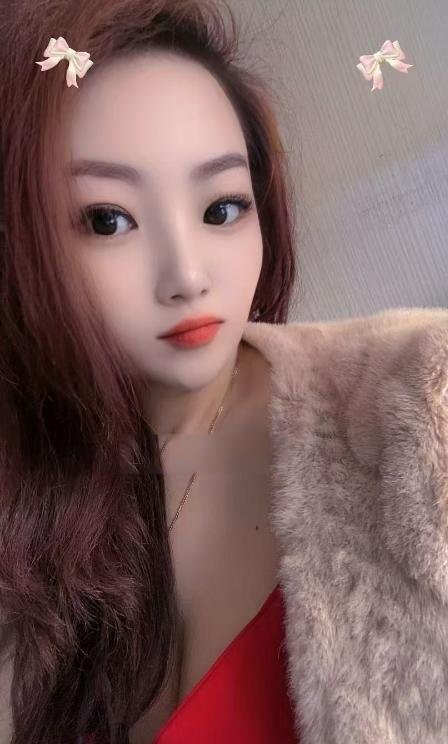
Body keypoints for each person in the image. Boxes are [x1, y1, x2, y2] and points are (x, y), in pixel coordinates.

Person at [1, 1, 448, 743]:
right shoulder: (33, 498)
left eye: (221, 209)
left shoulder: (421, 407)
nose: (187, 277)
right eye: (108, 220)